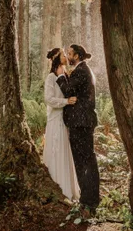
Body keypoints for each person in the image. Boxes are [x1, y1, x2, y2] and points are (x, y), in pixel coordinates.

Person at [56, 44, 100, 214]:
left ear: (78, 55)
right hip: (81, 123)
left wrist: (60, 77)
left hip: (81, 123)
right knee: (85, 161)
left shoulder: (82, 71)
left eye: (70, 53)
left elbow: (67, 90)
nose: (67, 56)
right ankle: (89, 200)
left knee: (85, 162)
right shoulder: (81, 70)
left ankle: (89, 202)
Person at [43, 47, 80, 201]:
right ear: (58, 58)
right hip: (55, 120)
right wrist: (66, 101)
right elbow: (49, 99)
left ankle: (68, 189)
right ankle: (58, 188)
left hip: (64, 121)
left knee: (65, 152)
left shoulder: (65, 75)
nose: (66, 56)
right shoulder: (51, 77)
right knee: (56, 151)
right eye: (64, 54)